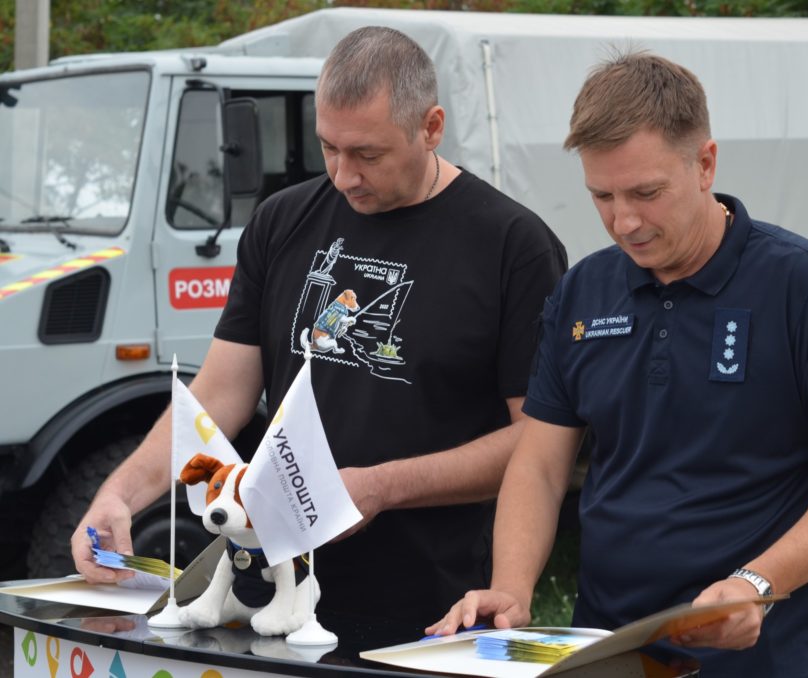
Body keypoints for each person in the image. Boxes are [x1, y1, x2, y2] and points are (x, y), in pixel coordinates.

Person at [71, 26, 566, 627]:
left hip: (429, 609)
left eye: (368, 155)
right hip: (271, 601)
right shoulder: (281, 220)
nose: (343, 175)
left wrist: (383, 486)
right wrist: (121, 493)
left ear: (431, 127)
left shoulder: (513, 245)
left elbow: (539, 441)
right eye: (329, 147)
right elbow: (222, 390)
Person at [429, 52, 808, 676]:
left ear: (705, 163)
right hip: (606, 653)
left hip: (753, 660)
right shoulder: (583, 292)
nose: (624, 221)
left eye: (647, 193)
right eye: (602, 195)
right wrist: (512, 589)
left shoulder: (802, 287)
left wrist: (756, 583)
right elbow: (541, 464)